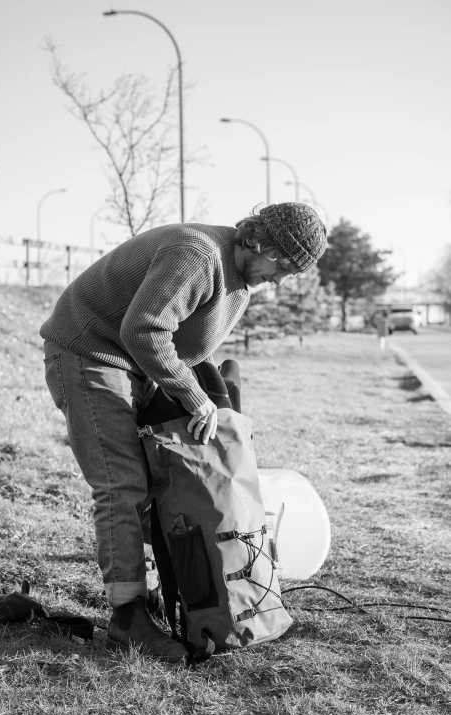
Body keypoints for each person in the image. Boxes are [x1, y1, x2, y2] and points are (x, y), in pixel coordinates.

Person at [39, 202, 327, 661]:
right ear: (260, 242)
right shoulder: (197, 255)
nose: (281, 280)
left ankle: (152, 589)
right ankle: (127, 616)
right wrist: (193, 398)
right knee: (121, 484)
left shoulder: (241, 283)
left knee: (167, 477)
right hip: (90, 353)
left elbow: (188, 350)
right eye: (284, 267)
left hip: (137, 367)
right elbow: (146, 329)